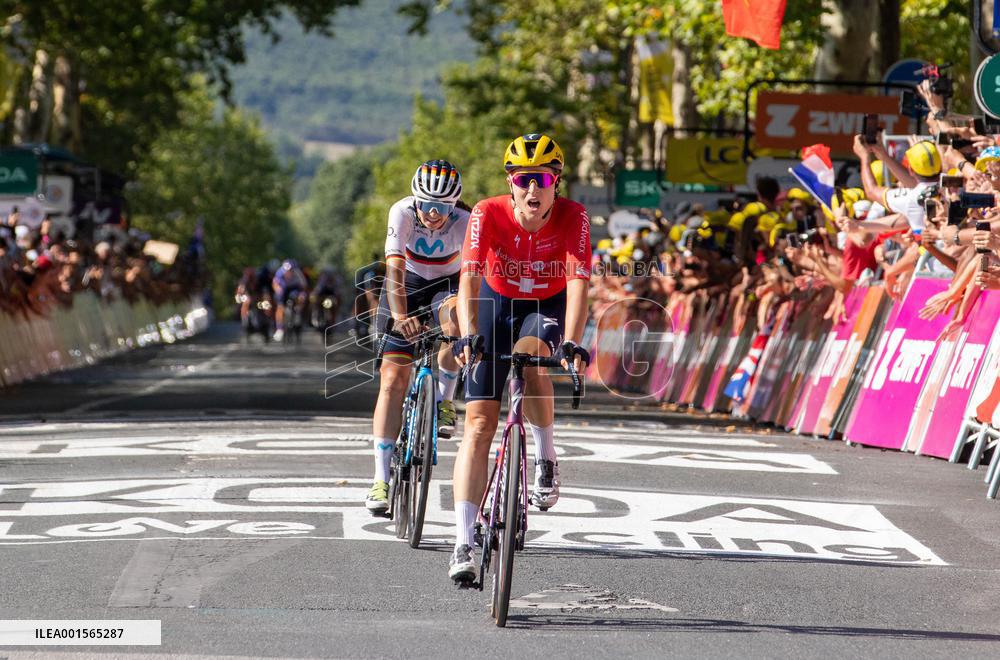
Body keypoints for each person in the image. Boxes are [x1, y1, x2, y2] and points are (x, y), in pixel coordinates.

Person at [447, 134, 592, 582]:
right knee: (479, 423)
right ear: (511, 182)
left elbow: (579, 283)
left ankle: (545, 457)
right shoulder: (485, 213)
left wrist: (571, 341)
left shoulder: (574, 216)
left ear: (557, 182)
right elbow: (469, 278)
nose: (534, 190)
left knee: (531, 361)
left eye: (544, 180)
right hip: (494, 302)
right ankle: (463, 542)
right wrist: (470, 334)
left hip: (543, 307)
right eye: (524, 179)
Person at [364, 160, 470, 513]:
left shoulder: (466, 223)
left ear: (454, 205)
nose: (433, 213)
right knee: (392, 380)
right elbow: (393, 267)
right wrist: (400, 316)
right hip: (406, 284)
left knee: (455, 321)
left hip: (449, 285)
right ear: (416, 201)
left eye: (442, 207)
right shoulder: (402, 212)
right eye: (426, 205)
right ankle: (380, 479)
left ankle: (444, 401)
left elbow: (471, 280)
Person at [271, 259, 307, 341]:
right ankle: (279, 329)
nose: (288, 272)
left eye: (291, 270)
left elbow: (303, 285)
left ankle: (298, 313)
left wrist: (301, 295)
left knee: (301, 298)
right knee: (279, 306)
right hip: (284, 289)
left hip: (295, 288)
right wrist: (278, 289)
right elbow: (275, 283)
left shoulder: (298, 273)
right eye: (287, 271)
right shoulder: (280, 272)